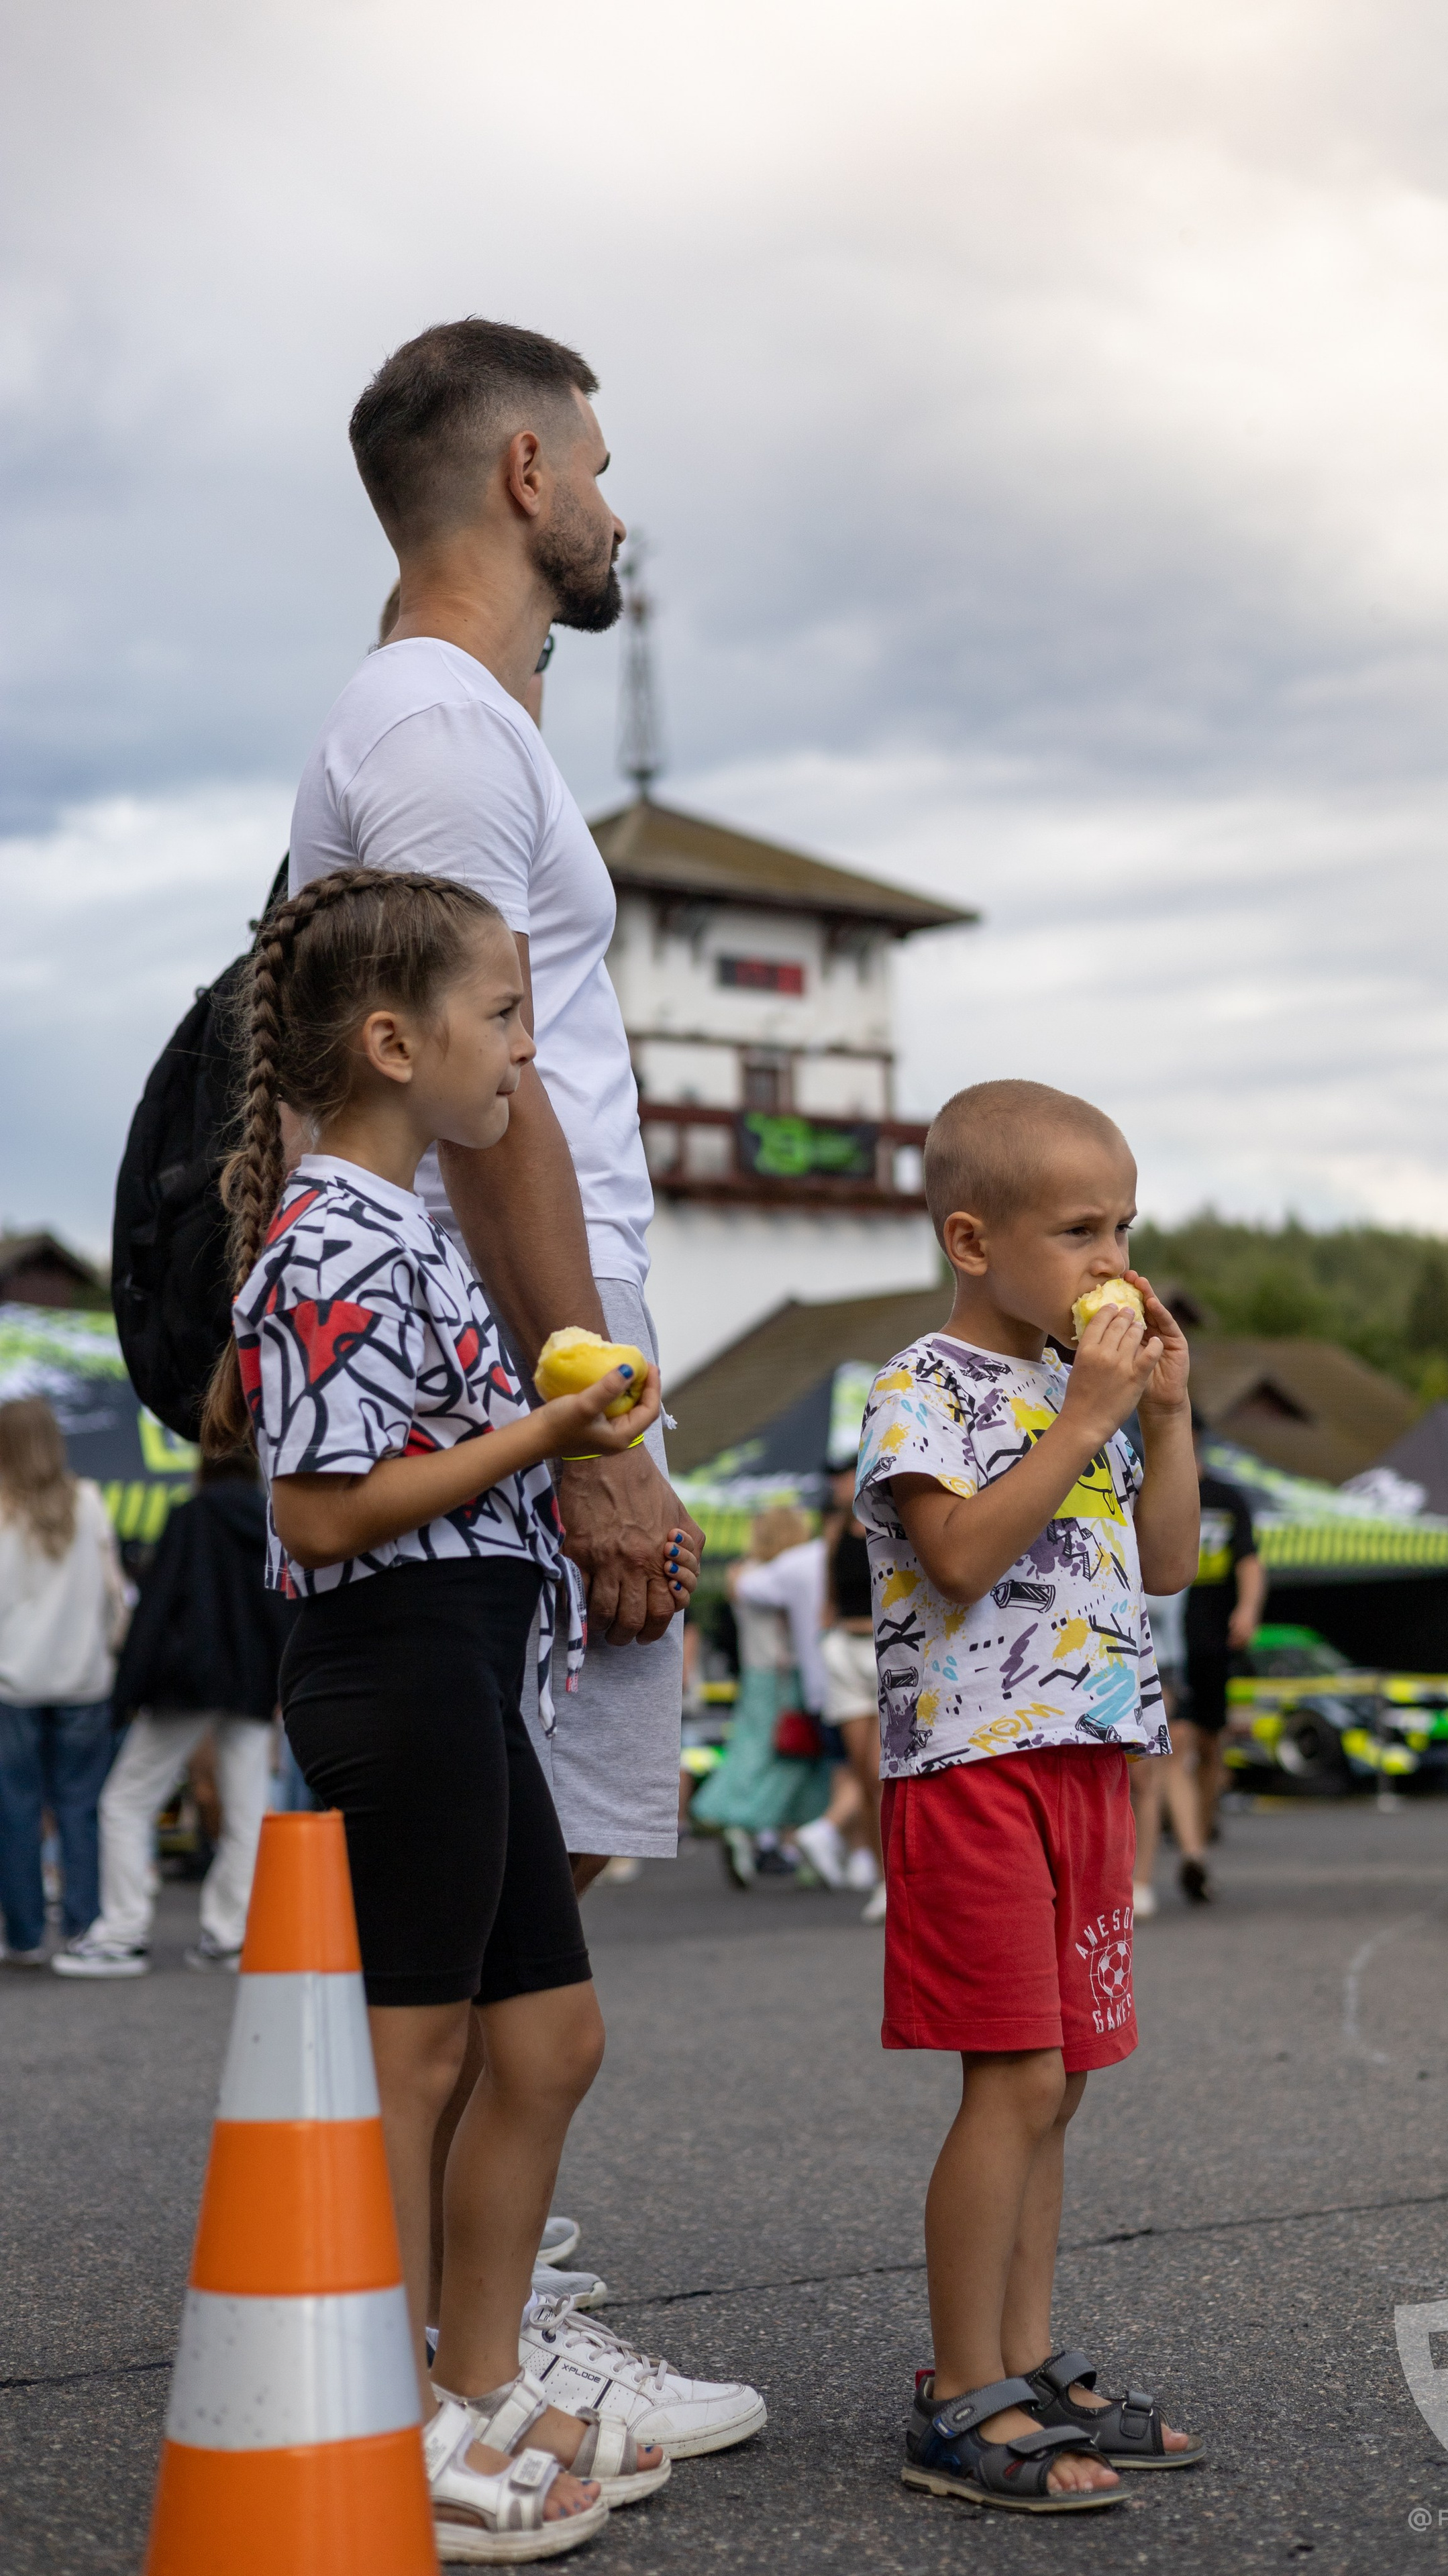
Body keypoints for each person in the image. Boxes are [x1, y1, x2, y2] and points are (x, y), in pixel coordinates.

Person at [203, 863, 686, 2553]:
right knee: (410, 2054)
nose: (523, 1049)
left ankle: (471, 2376)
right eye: (501, 1015)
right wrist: (548, 1448)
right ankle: (388, 2413)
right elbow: (322, 1510)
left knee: (547, 2038)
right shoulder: (327, 1231)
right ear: (396, 1040)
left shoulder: (405, 1226)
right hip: (393, 1657)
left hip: (465, 1655)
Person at [291, 319, 702, 1884]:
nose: (610, 511)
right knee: (492, 1927)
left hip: (506, 1363)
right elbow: (477, 1090)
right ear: (525, 473)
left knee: (523, 1925)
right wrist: (590, 1443)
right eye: (596, 471)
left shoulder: (451, 720)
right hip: (505, 1373)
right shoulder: (440, 734)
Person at [857, 1078, 1204, 2510]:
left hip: (1084, 1765)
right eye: (1076, 1229)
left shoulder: (1096, 1397)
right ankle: (959, 2392)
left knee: (1057, 2088)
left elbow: (1169, 1563)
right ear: (971, 1240)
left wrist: (1161, 1422)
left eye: (1122, 1224)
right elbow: (953, 1559)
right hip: (972, 1769)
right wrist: (1078, 1424)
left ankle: (1027, 2355)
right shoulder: (918, 1389)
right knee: (1006, 2078)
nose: (1110, 1259)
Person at [53, 1451, 294, 1976]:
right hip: (254, 1686)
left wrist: (125, 1695)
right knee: (248, 1810)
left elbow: (158, 1607)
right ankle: (231, 1934)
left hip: (186, 1685)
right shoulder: (273, 1518)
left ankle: (122, 1932)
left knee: (124, 1800)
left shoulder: (191, 1517)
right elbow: (284, 1606)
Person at [0, 1398, 127, 1968]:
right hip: (84, 1678)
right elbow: (116, 1596)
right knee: (82, 1807)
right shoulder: (90, 1501)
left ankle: (25, 1935)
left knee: (15, 1811)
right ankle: (84, 1929)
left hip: (11, 1682)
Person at [690, 1506, 833, 1882]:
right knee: (790, 1759)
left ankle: (756, 1830)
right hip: (784, 1676)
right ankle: (752, 1821)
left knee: (751, 1749)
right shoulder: (779, 1577)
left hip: (754, 1672)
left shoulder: (743, 1574)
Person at [796, 1464, 887, 1921]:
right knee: (865, 1776)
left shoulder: (891, 1517)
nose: (837, 1483)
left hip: (885, 1649)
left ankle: (891, 1874)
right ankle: (882, 1875)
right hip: (844, 1649)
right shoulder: (835, 1528)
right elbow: (828, 1596)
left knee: (879, 1770)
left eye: (845, 1475)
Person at [1179, 1422, 1265, 1886]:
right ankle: (1189, 1838)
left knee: (1210, 1741)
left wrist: (1248, 1610)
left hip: (1214, 1635)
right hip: (1169, 1637)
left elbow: (1250, 1560)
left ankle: (1203, 1822)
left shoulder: (1227, 1499)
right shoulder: (1147, 1488)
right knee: (1179, 1740)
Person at [1127, 1587, 1204, 1921]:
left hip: (1158, 1662)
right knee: (1161, 1772)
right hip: (1106, 1657)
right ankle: (1192, 1853)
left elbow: (1165, 1591)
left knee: (1147, 1775)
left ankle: (1141, 1880)